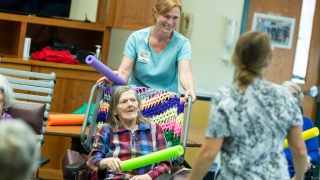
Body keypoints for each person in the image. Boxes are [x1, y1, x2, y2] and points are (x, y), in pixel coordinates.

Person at [187, 31, 308, 180]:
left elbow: (209, 153)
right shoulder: (286, 98)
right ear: (268, 61)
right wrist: (298, 177)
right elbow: (300, 151)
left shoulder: (225, 97)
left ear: (236, 58)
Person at [97, 0, 196, 103]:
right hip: (136, 100)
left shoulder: (182, 43)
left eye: (175, 18)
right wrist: (114, 78)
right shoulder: (136, 38)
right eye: (166, 16)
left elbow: (185, 73)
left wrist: (190, 89)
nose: (170, 22)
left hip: (166, 102)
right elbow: (124, 72)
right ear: (155, 13)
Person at [87, 86, 172, 180]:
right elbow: (91, 162)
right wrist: (105, 162)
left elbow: (165, 164)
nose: (130, 104)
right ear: (115, 110)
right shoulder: (107, 130)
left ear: (139, 106)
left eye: (133, 100)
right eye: (124, 102)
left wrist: (149, 176)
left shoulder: (154, 129)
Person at [281, 81, 319, 178]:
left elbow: (314, 152)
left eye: (295, 95)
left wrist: (308, 158)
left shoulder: (306, 123)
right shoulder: (270, 121)